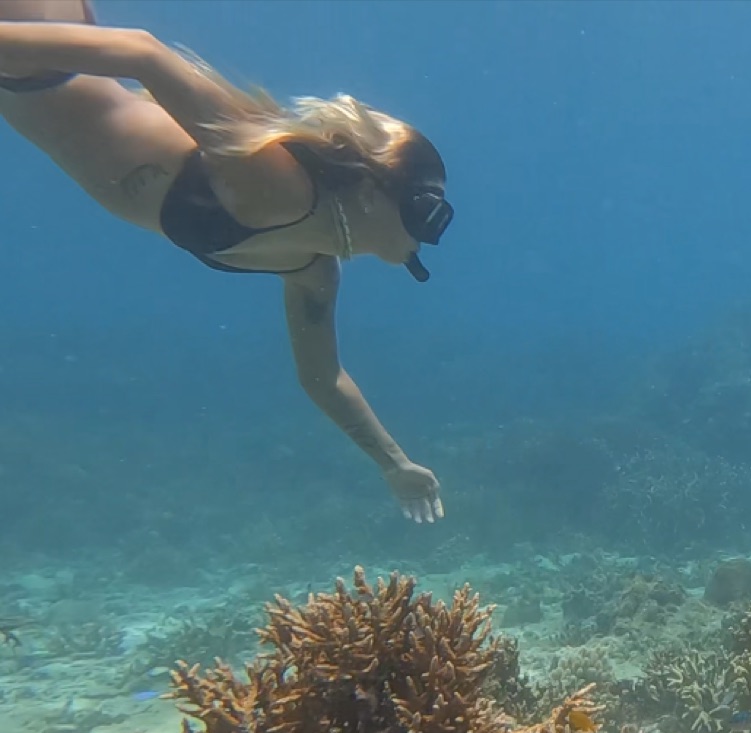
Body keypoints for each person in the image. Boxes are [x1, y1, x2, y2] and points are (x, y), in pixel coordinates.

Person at [0, 0, 454, 523]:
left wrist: (393, 464)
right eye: (425, 211)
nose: (429, 235)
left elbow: (323, 378)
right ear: (374, 192)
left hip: (31, 68)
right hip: (39, 45)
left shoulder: (311, 268)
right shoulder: (279, 186)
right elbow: (145, 53)